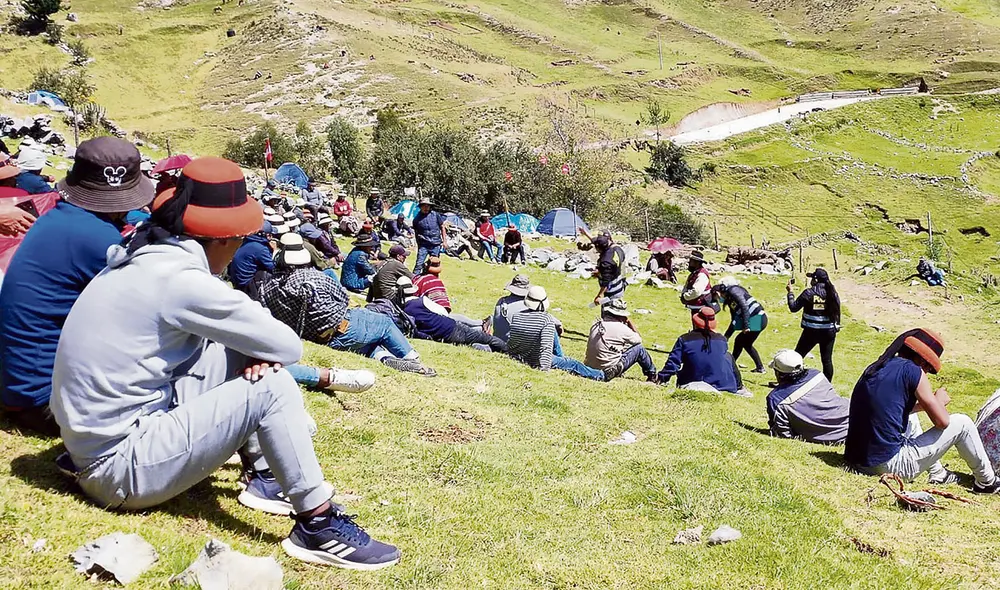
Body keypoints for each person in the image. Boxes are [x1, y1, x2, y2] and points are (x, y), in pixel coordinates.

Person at [50, 157, 400, 569]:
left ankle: (268, 478)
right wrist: (257, 352)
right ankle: (316, 523)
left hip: (87, 446)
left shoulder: (144, 252)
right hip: (118, 470)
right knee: (273, 383)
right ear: (222, 238)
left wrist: (248, 351)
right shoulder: (183, 281)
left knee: (227, 350)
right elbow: (287, 346)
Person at [0, 138, 153, 435]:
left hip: (22, 386)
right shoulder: (100, 240)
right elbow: (145, 308)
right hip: (45, 401)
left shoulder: (61, 217)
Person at [845, 329, 1000, 492]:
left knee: (910, 417)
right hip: (887, 465)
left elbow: (889, 410)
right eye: (928, 367)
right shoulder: (914, 371)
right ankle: (987, 481)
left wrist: (924, 406)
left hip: (857, 461)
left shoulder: (879, 366)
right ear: (923, 360)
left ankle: (938, 473)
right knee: (963, 423)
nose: (926, 372)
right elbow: (942, 422)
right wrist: (938, 402)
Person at [260, 242, 435, 376]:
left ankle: (383, 357)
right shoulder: (317, 277)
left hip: (315, 337)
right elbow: (343, 299)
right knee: (384, 323)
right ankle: (414, 360)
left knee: (368, 339)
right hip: (341, 330)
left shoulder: (267, 287)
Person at [507, 286, 612, 381]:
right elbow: (546, 347)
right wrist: (544, 368)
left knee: (551, 331)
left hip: (519, 354)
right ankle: (601, 375)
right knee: (573, 364)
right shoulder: (546, 319)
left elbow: (513, 341)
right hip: (536, 359)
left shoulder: (517, 316)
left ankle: (562, 358)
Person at [399, 278, 507, 352]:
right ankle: (508, 350)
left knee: (469, 342)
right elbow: (444, 312)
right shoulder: (422, 301)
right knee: (487, 338)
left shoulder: (403, 310)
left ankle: (480, 330)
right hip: (451, 327)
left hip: (442, 337)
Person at [656, 307, 746, 396]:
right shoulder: (721, 340)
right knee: (728, 356)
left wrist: (662, 378)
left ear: (695, 322)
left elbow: (673, 363)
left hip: (692, 381)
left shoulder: (685, 339)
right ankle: (739, 386)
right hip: (722, 385)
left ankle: (738, 387)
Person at [766, 350, 849, 444]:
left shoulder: (776, 399)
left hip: (834, 437)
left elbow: (782, 434)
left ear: (778, 374)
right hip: (855, 417)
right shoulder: (817, 374)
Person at [489, 275, 564, 356]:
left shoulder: (501, 301)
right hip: (516, 346)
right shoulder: (529, 306)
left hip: (498, 343)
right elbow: (555, 322)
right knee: (551, 328)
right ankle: (560, 356)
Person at [787, 268, 840, 381]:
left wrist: (790, 293)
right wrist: (837, 326)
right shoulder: (832, 293)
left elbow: (793, 308)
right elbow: (838, 311)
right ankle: (827, 385)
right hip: (828, 331)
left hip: (811, 332)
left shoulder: (809, 293)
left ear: (816, 279)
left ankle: (790, 381)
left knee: (798, 356)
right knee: (827, 360)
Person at [585, 299, 657, 382]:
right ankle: (652, 374)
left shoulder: (596, 324)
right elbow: (638, 340)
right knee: (639, 349)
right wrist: (629, 322)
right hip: (608, 370)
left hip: (589, 367)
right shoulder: (622, 329)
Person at [712, 278, 768, 373]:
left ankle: (730, 365)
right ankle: (760, 368)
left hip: (758, 318)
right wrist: (727, 336)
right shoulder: (729, 300)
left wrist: (746, 325)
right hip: (755, 319)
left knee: (739, 341)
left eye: (716, 298)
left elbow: (744, 306)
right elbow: (734, 320)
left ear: (718, 293)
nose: (718, 300)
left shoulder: (733, 290)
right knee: (746, 344)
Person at [227, 219, 276, 296]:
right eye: (269, 235)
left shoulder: (247, 241)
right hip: (246, 285)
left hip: (237, 280)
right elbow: (273, 267)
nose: (271, 237)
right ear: (261, 234)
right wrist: (275, 251)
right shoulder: (260, 248)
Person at [412, 197, 448, 272]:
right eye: (424, 206)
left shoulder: (436, 215)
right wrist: (417, 245)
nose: (426, 207)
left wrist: (445, 241)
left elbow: (442, 227)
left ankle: (432, 280)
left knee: (434, 264)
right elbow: (416, 232)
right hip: (424, 244)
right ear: (420, 207)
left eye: (427, 206)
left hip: (436, 244)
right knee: (419, 264)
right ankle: (414, 280)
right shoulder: (416, 219)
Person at [591, 234, 626, 305]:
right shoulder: (614, 250)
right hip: (619, 286)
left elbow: (606, 282)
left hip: (612, 292)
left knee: (610, 313)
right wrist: (600, 272)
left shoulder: (605, 261)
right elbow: (612, 268)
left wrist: (599, 296)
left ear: (598, 248)